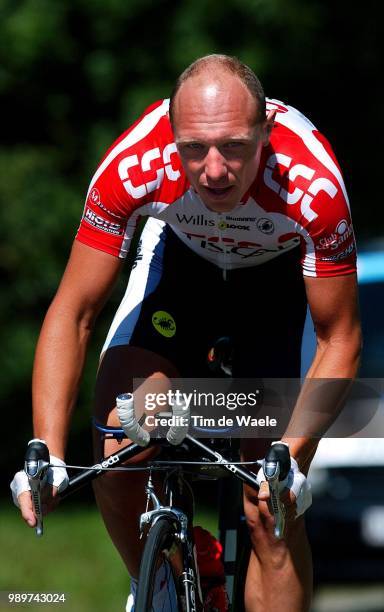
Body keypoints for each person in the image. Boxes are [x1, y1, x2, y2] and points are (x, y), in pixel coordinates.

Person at [11, 54, 361, 611]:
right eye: (193, 148)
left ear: (266, 133)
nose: (214, 170)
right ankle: (160, 584)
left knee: (268, 506)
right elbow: (74, 310)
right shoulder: (135, 163)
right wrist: (46, 452)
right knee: (119, 443)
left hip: (276, 287)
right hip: (182, 272)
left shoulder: (312, 186)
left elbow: (340, 338)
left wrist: (290, 456)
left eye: (234, 147)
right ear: (170, 135)